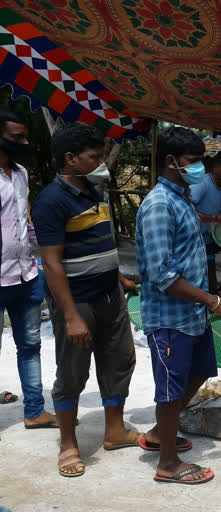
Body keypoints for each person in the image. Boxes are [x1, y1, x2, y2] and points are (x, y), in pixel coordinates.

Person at [31, 122, 143, 477]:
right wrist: (70, 316)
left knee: (119, 360)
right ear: (70, 159)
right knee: (73, 370)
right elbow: (51, 262)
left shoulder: (95, 190)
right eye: (94, 157)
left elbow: (102, 241)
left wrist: (119, 278)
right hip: (76, 300)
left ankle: (115, 430)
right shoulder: (51, 201)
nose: (101, 162)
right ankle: (68, 444)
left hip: (110, 293)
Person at [135, 127, 221, 485]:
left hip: (192, 313)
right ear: (170, 161)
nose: (197, 169)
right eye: (192, 162)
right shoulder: (159, 205)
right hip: (169, 317)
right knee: (171, 388)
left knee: (200, 372)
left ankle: (160, 434)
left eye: (199, 162)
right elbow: (162, 274)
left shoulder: (183, 197)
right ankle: (167, 464)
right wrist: (211, 299)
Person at [0, 109, 57, 427]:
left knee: (30, 345)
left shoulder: (20, 173)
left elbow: (24, 223)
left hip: (26, 274)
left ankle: (34, 410)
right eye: (15, 137)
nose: (23, 142)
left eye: (24, 136)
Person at [189, 149, 221, 294]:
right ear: (216, 166)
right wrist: (215, 218)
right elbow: (187, 211)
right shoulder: (201, 184)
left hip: (207, 243)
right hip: (191, 243)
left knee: (209, 287)